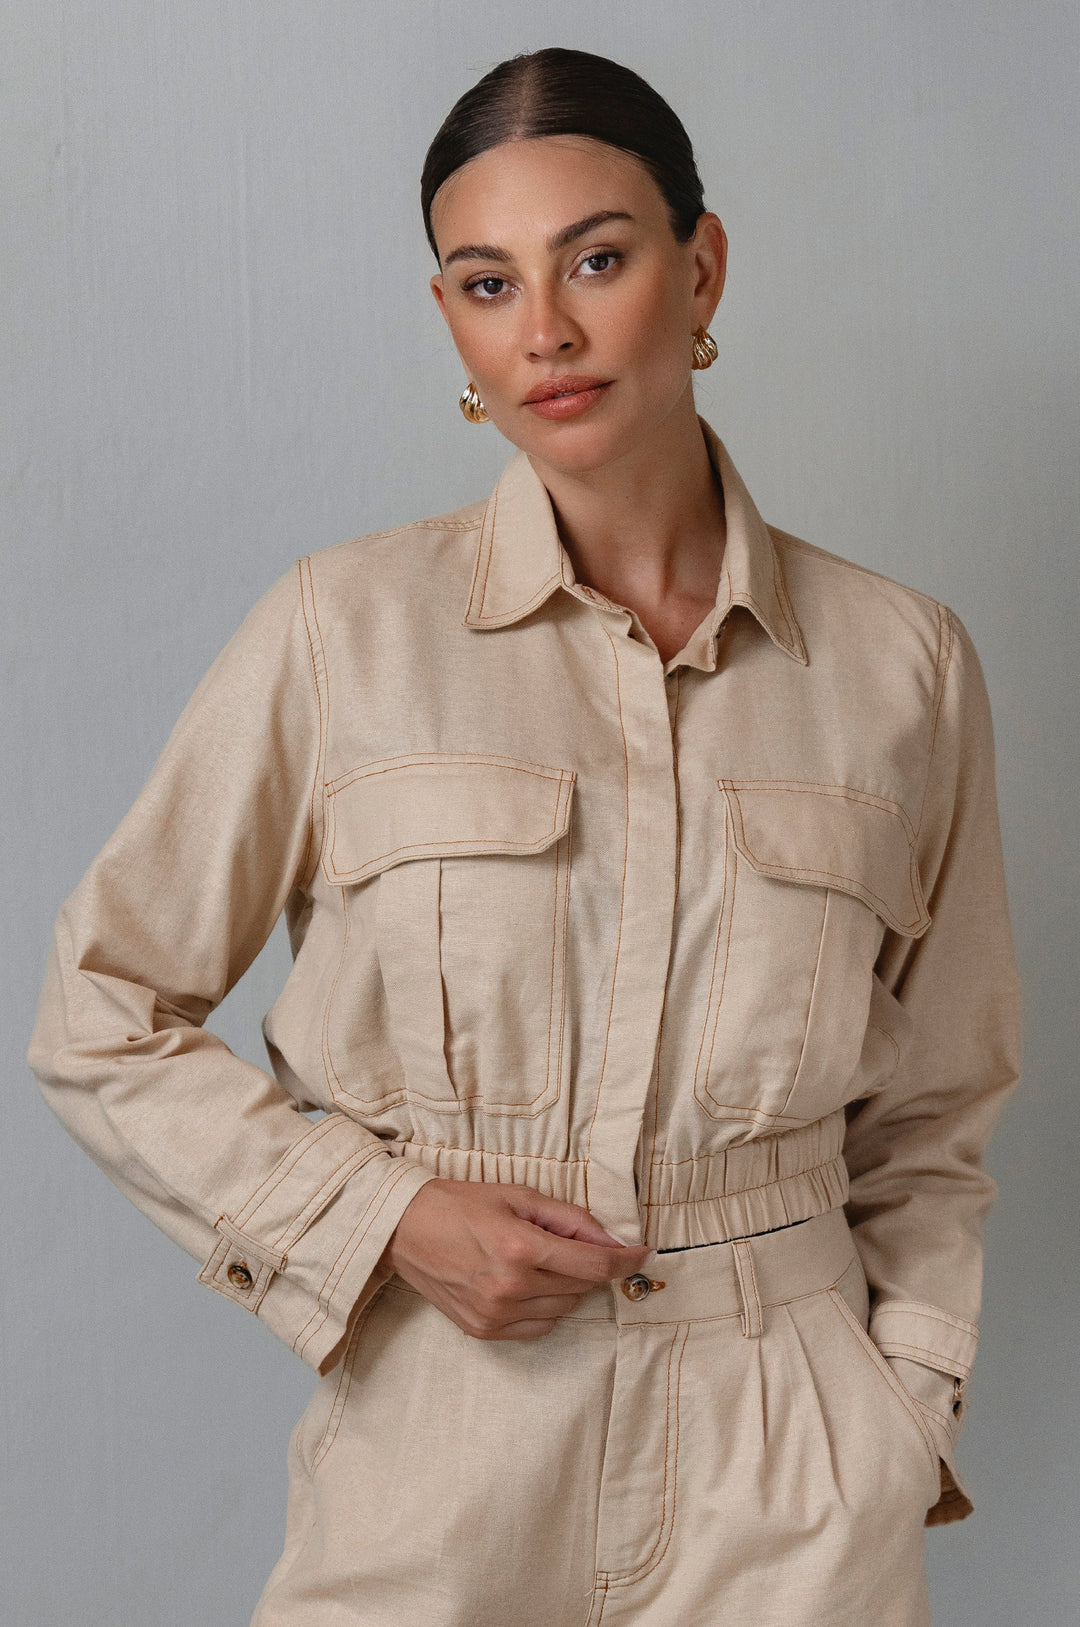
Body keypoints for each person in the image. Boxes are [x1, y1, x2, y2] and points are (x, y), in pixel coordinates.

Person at [28, 45, 1021, 1627]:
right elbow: (100, 1013)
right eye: (487, 284)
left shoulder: (905, 667)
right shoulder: (341, 632)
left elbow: (936, 1107)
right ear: (451, 323)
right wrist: (384, 1217)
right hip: (447, 1440)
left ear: (700, 268)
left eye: (599, 261)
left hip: (792, 1467)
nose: (545, 331)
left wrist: (902, 1408)